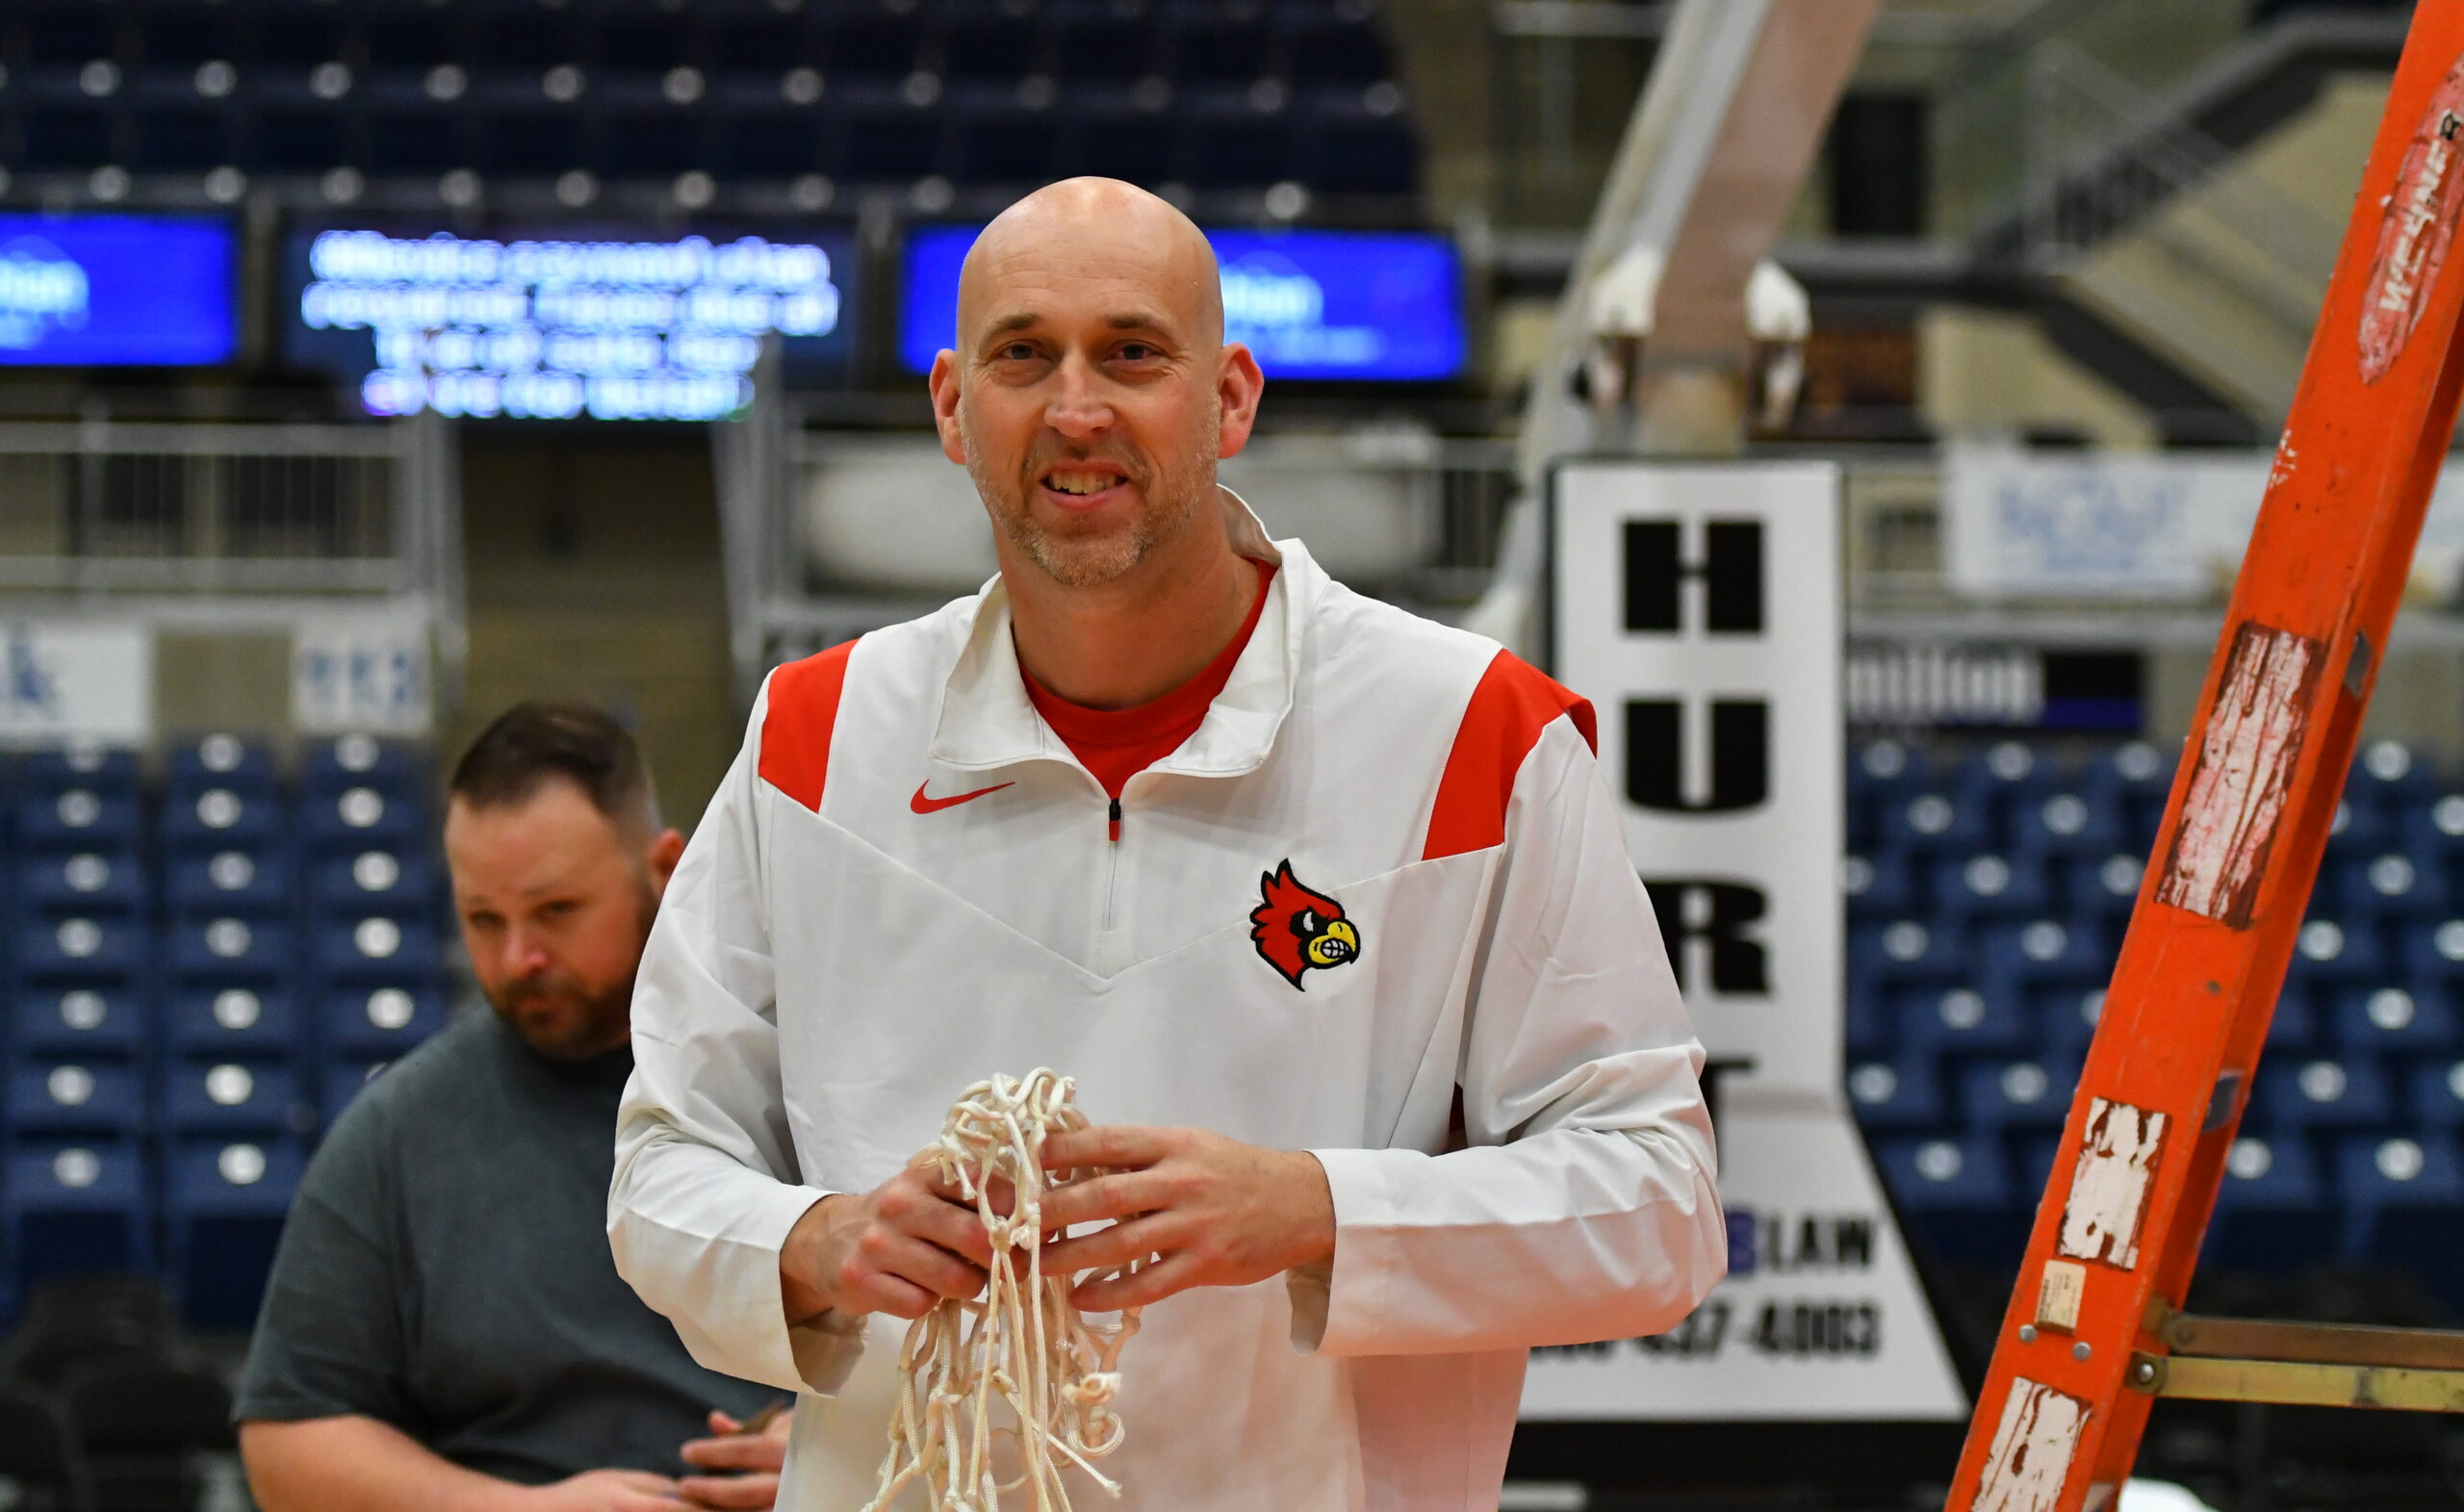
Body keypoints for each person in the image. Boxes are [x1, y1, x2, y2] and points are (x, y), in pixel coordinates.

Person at [608, 178, 1726, 1511]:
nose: (1077, 408)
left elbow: (1658, 1200)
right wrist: (814, 1234)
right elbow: (663, 1167)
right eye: (1025, 355)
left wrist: (1314, 1206)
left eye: (1132, 352)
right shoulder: (815, 730)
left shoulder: (1474, 729)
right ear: (954, 409)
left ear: (1231, 397)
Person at [238, 705, 793, 1512]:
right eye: (483, 920)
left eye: (557, 910)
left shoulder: (797, 1078)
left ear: (666, 870)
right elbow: (287, 1441)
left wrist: (839, 1458)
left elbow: (971, 1353)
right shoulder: (399, 1129)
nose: (518, 958)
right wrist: (515, 1509)